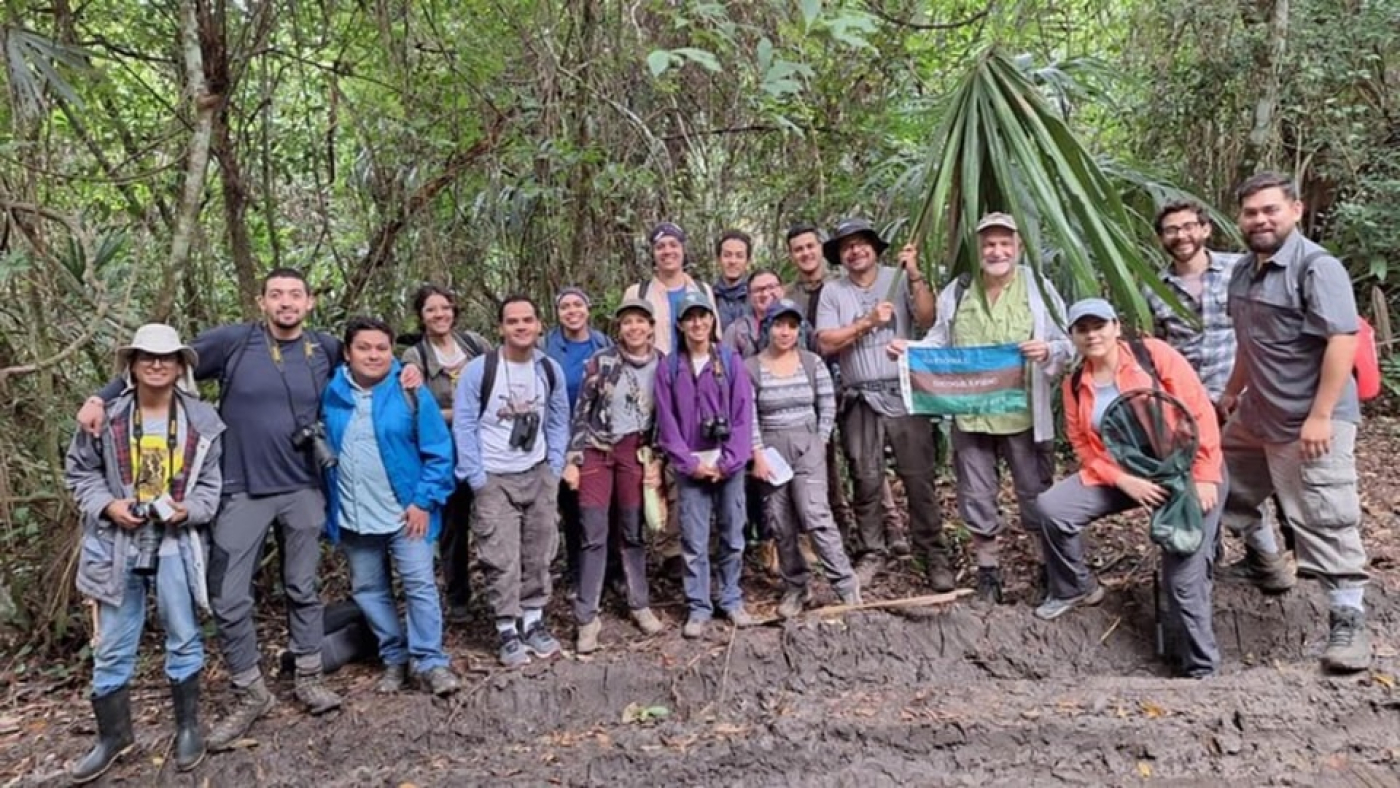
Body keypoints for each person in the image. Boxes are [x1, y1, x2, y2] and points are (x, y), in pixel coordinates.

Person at [74, 269, 379, 747]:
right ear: (262, 302)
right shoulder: (235, 342)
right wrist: (100, 397)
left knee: (302, 587)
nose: (286, 303)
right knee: (230, 598)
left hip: (303, 488)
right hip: (240, 488)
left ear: (310, 303)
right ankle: (249, 689)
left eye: (295, 295)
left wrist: (410, 372)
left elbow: (370, 366)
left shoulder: (325, 348)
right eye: (276, 295)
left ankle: (308, 676)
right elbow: (160, 363)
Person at [1219, 171, 1371, 673]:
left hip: (1311, 417)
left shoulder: (1316, 268)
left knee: (1324, 515)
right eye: (1251, 212)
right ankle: (1266, 562)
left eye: (1270, 210)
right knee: (1222, 487)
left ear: (1296, 210)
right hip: (1257, 411)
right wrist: (1233, 390)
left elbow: (1342, 341)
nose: (1260, 220)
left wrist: (1321, 416)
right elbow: (1250, 337)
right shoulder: (1243, 271)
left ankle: (1348, 623)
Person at [66, 324, 225, 781]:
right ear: (132, 364)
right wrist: (109, 505)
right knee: (113, 643)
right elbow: (80, 473)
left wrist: (186, 510)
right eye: (147, 357)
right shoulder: (106, 416)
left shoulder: (203, 422)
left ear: (181, 366)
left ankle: (188, 728)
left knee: (183, 631)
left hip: (177, 542)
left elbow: (212, 488)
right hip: (114, 542)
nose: (157, 365)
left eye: (167, 358)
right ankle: (113, 737)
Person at [888, 213, 1072, 604]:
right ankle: (988, 572)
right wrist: (912, 351)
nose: (997, 250)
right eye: (989, 244)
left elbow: (1067, 343)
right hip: (971, 413)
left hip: (1022, 414)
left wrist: (1049, 351)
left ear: (1018, 247)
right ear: (978, 249)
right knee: (975, 492)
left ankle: (1046, 567)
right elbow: (941, 340)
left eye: (1005, 243)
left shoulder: (1038, 289)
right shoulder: (959, 289)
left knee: (1034, 491)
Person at [1036, 299, 1223, 679]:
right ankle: (1075, 587)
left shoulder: (1153, 356)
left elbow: (1199, 412)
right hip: (1127, 474)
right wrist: (1122, 480)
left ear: (1116, 326)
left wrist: (1203, 475)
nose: (1092, 335)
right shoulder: (1076, 383)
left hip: (1185, 468)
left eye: (1099, 326)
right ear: (1072, 336)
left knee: (1182, 580)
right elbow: (1084, 447)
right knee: (1053, 508)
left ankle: (1202, 671)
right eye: (1082, 329)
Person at [1144, 202, 1293, 593]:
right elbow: (1158, 348)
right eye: (1172, 230)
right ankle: (1208, 558)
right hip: (1189, 404)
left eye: (1189, 226)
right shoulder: (1154, 286)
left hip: (1243, 395)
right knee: (1199, 478)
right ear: (1162, 238)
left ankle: (1267, 560)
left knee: (1242, 479)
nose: (1182, 236)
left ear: (1206, 229)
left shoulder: (1238, 270)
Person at [322, 317, 461, 696]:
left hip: (407, 514)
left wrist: (423, 501)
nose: (373, 355)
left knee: (419, 585)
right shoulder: (331, 392)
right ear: (348, 353)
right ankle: (394, 657)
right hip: (353, 514)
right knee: (369, 589)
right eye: (364, 348)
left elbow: (439, 452)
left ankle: (430, 662)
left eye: (382, 348)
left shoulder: (409, 391)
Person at [814, 218, 953, 591]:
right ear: (840, 256)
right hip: (859, 396)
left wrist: (915, 276)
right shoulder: (832, 292)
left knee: (918, 475)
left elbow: (928, 319)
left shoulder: (898, 277)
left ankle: (932, 550)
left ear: (875, 248)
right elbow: (827, 341)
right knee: (865, 476)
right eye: (847, 246)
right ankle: (872, 550)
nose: (855, 250)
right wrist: (867, 322)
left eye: (862, 243)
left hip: (905, 390)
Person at [454, 295, 571, 667]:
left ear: (539, 325)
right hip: (493, 476)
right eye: (512, 321)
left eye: (528, 320)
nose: (521, 327)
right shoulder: (479, 370)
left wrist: (554, 467)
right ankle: (507, 627)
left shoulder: (548, 369)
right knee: (500, 556)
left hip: (537, 472)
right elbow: (465, 423)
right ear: (501, 328)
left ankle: (534, 621)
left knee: (539, 550)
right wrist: (475, 476)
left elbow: (557, 419)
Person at [784, 223, 903, 553]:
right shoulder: (790, 295)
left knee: (867, 458)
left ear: (821, 250)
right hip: (813, 384)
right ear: (792, 256)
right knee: (830, 457)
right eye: (798, 249)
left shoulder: (841, 284)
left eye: (810, 246)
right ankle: (840, 524)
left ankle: (890, 524)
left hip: (852, 379)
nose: (805, 254)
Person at [562, 298, 667, 652]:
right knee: (593, 533)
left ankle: (639, 604)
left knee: (632, 530)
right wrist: (573, 460)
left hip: (636, 452)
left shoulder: (663, 365)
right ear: (618, 328)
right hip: (597, 450)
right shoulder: (601, 361)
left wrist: (658, 462)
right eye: (627, 322)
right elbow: (581, 412)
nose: (634, 328)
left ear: (651, 326)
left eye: (640, 321)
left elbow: (666, 417)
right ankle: (587, 618)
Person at [655, 292, 758, 637]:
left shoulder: (729, 361)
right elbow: (666, 421)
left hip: (728, 465)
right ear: (681, 324)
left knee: (732, 534)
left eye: (703, 316)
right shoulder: (669, 366)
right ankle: (698, 606)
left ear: (712, 321)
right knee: (694, 541)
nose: (698, 323)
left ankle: (730, 598)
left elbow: (743, 414)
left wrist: (730, 462)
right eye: (691, 318)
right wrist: (687, 463)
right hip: (691, 468)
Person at [748, 300, 860, 617]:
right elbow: (749, 415)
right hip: (770, 448)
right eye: (779, 325)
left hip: (807, 442)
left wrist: (819, 442)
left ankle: (846, 585)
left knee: (815, 514)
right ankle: (796, 587)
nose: (785, 332)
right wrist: (757, 453)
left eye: (792, 326)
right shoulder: (751, 367)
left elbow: (826, 406)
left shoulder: (812, 363)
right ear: (767, 328)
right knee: (779, 521)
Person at [622, 221, 721, 572]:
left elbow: (715, 337)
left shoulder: (702, 289)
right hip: (655, 381)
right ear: (653, 252)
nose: (668, 251)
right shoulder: (641, 289)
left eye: (673, 245)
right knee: (660, 457)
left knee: (698, 451)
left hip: (698, 380)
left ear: (683, 249)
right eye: (661, 246)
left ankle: (698, 540)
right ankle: (668, 546)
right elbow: (629, 335)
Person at [400, 284, 494, 624]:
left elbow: (497, 386)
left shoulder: (475, 345)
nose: (439, 315)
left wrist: (467, 413)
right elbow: (414, 409)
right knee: (453, 527)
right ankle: (458, 599)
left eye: (445, 308)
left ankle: (501, 591)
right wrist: (464, 413)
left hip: (486, 450)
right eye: (431, 310)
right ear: (421, 316)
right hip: (444, 455)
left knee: (493, 520)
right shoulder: (416, 357)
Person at [542, 286, 614, 598]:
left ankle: (610, 572)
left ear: (587, 308)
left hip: (600, 436)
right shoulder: (547, 347)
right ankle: (576, 572)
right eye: (565, 306)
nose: (572, 311)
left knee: (603, 507)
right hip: (562, 435)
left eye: (577, 304)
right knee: (572, 508)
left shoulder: (603, 342)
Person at [721, 269, 784, 359]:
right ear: (749, 296)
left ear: (782, 290)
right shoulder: (736, 330)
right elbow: (727, 366)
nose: (765, 294)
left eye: (771, 287)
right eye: (758, 290)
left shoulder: (800, 324)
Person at [713, 229, 755, 328]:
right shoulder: (708, 296)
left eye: (739, 256)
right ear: (719, 259)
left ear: (748, 261)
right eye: (727, 255)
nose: (732, 261)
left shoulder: (757, 296)